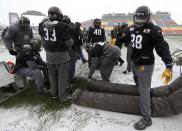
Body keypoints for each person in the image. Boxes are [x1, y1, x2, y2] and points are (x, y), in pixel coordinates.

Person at [124, 6, 173, 130]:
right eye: (137, 19)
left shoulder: (153, 30)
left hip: (145, 65)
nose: (139, 22)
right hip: (135, 63)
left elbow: (162, 47)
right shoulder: (132, 28)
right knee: (139, 85)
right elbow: (125, 39)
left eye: (142, 19)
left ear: (148, 18)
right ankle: (145, 98)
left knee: (143, 90)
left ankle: (147, 118)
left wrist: (168, 64)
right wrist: (121, 34)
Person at [38, 6, 73, 102]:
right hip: (61, 55)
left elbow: (43, 42)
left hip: (49, 55)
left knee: (52, 76)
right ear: (59, 15)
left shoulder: (42, 25)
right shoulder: (62, 25)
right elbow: (69, 43)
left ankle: (54, 94)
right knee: (62, 77)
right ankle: (62, 96)